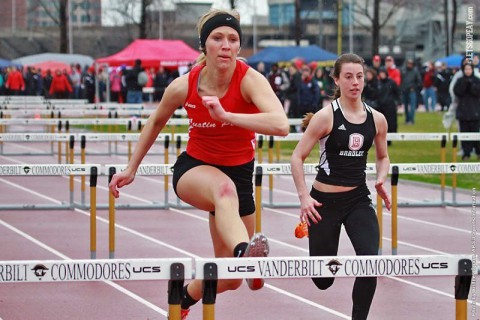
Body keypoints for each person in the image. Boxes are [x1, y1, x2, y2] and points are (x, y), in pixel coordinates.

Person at [108, 9, 289, 320]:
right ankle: (247, 255)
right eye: (217, 38)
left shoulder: (250, 80)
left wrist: (227, 116)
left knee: (231, 279)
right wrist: (131, 168)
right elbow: (155, 123)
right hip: (195, 169)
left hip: (240, 173)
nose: (226, 45)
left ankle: (184, 295)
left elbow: (281, 124)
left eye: (233, 40)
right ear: (204, 46)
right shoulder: (184, 86)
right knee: (223, 189)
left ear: (239, 48)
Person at [290, 53, 391, 320]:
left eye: (359, 76)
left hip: (358, 200)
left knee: (370, 263)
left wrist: (381, 178)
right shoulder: (325, 117)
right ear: (336, 79)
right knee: (323, 280)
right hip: (323, 204)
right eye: (348, 76)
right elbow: (296, 157)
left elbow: (383, 156)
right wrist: (304, 198)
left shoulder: (377, 119)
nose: (355, 82)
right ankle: (327, 259)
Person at [453, 61, 480, 161]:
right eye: (466, 69)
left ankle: (478, 151)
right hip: (463, 111)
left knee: (475, 134)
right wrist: (465, 84)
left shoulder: (477, 80)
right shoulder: (460, 80)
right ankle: (466, 153)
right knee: (464, 134)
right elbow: (457, 92)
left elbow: (477, 92)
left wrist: (471, 84)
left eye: (469, 69)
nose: (468, 71)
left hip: (475, 111)